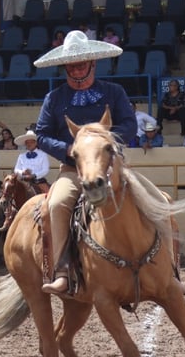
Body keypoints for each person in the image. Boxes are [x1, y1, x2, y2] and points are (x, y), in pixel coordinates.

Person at [31, 30, 137, 295]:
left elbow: (130, 125)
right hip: (72, 169)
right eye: (72, 64)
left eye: (81, 62)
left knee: (158, 200)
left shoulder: (114, 92)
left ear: (93, 63)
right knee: (56, 203)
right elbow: (41, 135)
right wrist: (68, 148)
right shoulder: (54, 98)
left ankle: (169, 269)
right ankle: (62, 271)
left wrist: (101, 142)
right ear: (65, 65)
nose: (76, 68)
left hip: (112, 168)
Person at [12, 130, 51, 194]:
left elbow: (45, 170)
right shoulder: (21, 156)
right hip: (23, 180)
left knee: (48, 196)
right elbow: (16, 169)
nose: (29, 144)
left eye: (31, 142)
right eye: (27, 142)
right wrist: (23, 172)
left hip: (38, 181)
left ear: (36, 143)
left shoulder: (43, 154)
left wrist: (34, 175)